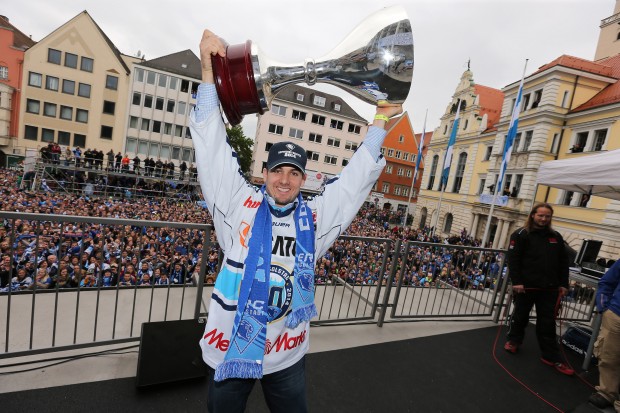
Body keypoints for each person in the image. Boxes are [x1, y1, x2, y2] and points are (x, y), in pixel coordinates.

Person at [192, 29, 402, 413]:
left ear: (303, 179)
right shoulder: (238, 203)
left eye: (293, 172)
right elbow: (211, 150)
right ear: (265, 173)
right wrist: (208, 72)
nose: (284, 179)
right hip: (231, 348)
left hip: (285, 355)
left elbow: (354, 182)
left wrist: (381, 121)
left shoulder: (316, 218)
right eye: (277, 171)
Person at [504, 203, 574, 375]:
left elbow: (563, 264)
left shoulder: (556, 237)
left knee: (548, 323)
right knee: (520, 315)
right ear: (533, 215)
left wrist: (563, 284)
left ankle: (550, 356)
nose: (544, 219)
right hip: (525, 287)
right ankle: (514, 340)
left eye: (547, 216)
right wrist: (517, 282)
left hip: (549, 289)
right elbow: (513, 260)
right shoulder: (520, 234)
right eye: (541, 215)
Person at [588, 259, 620, 410]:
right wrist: (604, 307)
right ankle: (607, 392)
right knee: (608, 356)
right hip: (616, 315)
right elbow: (607, 282)